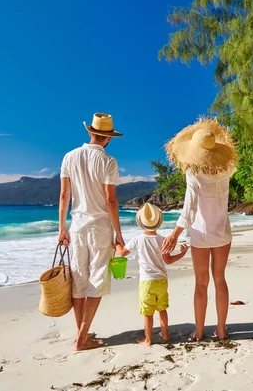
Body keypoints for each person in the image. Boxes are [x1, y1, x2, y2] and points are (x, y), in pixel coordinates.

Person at [162, 118, 238, 341]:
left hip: (201, 235)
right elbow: (227, 160)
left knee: (201, 283)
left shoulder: (194, 174)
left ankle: (199, 331)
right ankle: (222, 330)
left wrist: (175, 234)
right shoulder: (228, 169)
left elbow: (189, 207)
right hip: (222, 232)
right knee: (220, 280)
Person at [58, 112, 124, 351]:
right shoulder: (108, 161)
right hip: (100, 228)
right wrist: (119, 234)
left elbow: (64, 196)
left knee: (79, 280)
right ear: (108, 138)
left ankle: (80, 331)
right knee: (96, 281)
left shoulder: (69, 156)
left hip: (76, 227)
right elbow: (111, 201)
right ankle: (82, 338)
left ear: (89, 132)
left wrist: (61, 228)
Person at [115, 203, 189, 346]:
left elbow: (122, 253)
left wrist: (116, 245)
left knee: (147, 312)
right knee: (162, 309)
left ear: (141, 223)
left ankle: (148, 339)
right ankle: (165, 335)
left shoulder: (137, 239)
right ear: (158, 223)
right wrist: (182, 253)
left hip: (146, 282)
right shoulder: (163, 240)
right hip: (161, 280)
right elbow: (169, 260)